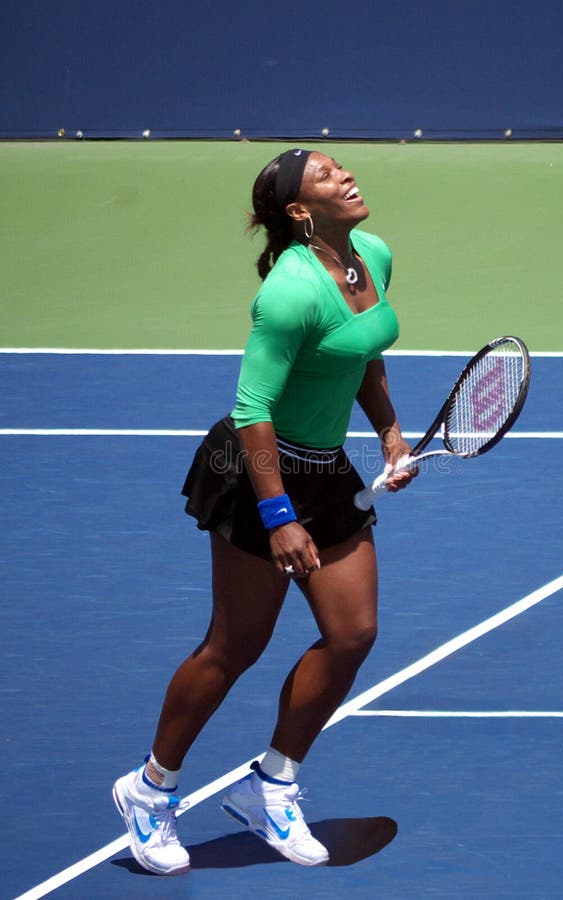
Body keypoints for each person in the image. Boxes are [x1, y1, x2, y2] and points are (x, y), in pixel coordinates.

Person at [112, 148, 416, 874]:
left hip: (324, 467)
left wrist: (389, 431)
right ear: (300, 211)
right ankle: (151, 790)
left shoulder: (371, 254)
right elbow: (252, 410)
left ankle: (271, 784)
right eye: (325, 176)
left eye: (340, 165)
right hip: (259, 471)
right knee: (236, 645)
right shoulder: (288, 292)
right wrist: (279, 516)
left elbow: (362, 356)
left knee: (353, 634)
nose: (345, 174)